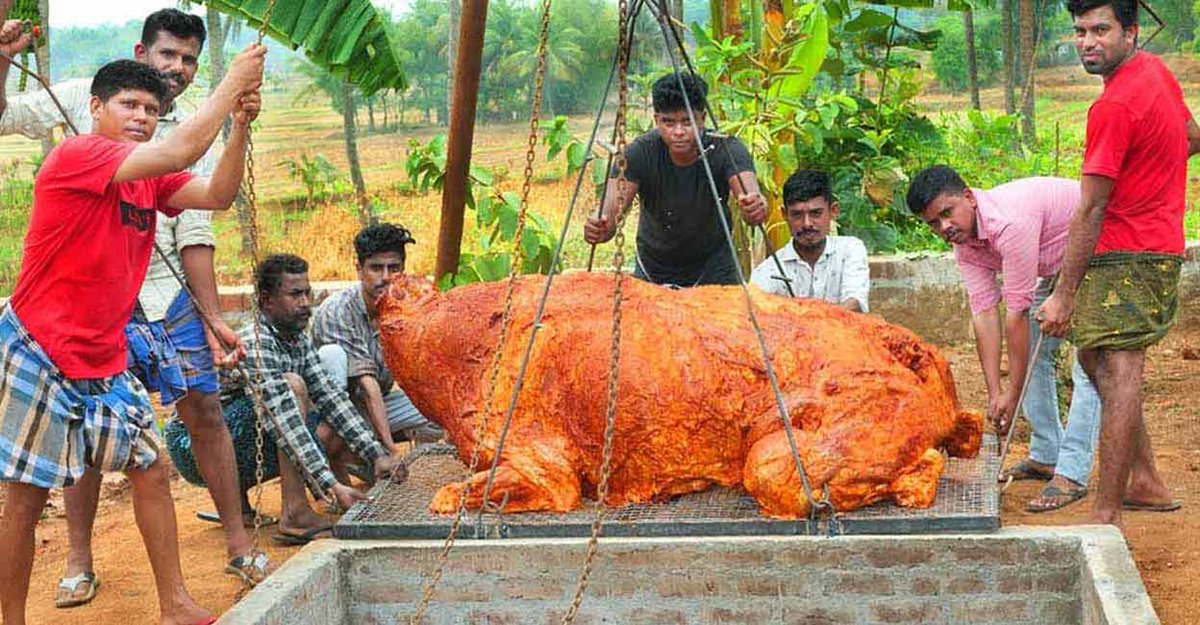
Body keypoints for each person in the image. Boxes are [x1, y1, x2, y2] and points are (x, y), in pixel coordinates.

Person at [0, 8, 266, 603]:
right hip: (42, 347)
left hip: (102, 351)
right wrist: (232, 83)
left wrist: (241, 125)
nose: (142, 118)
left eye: (150, 110)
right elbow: (178, 153)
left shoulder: (147, 174)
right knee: (25, 492)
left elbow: (217, 195)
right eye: (129, 106)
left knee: (148, 467)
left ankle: (175, 603)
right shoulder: (78, 157)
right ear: (95, 109)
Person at [1039, 0, 1196, 526]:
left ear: (1131, 31)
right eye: (1080, 30)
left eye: (1101, 29)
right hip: (1148, 242)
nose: (1088, 42)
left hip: (1133, 249)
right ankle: (1145, 479)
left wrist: (1061, 293)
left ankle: (1106, 512)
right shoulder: (1155, 72)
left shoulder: (1112, 108)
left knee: (1120, 367)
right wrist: (1154, 172)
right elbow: (1192, 138)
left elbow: (1091, 205)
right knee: (1092, 359)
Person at [170, 254, 406, 546]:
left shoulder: (295, 337)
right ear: (267, 300)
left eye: (306, 293)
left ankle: (245, 505)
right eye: (295, 294)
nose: (306, 302)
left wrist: (376, 454)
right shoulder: (256, 340)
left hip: (237, 433)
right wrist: (329, 484)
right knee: (291, 388)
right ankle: (294, 514)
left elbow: (332, 398)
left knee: (317, 408)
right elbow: (283, 418)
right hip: (192, 449)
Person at [906, 166, 1102, 513]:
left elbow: (1016, 314)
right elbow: (984, 315)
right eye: (933, 224)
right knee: (1035, 352)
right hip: (1057, 262)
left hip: (1101, 249)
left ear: (969, 197)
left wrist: (1013, 395)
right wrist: (996, 393)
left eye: (947, 214)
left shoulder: (1009, 223)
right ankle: (1046, 454)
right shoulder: (965, 243)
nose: (944, 228)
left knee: (1093, 361)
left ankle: (1071, 472)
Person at [583, 71, 768, 286]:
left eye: (687, 122)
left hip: (714, 271)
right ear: (656, 120)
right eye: (668, 123)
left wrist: (754, 206)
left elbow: (751, 196)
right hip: (653, 271)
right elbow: (611, 212)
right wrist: (599, 225)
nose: (678, 132)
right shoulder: (640, 152)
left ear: (702, 119)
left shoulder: (726, 148)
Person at [312, 223, 444, 455]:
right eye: (375, 268)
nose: (385, 277)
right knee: (332, 355)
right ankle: (353, 460)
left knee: (441, 409)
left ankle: (422, 464)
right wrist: (390, 450)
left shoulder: (406, 306)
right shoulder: (337, 311)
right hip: (335, 415)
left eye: (393, 268)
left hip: (378, 406)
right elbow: (367, 385)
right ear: (359, 269)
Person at [749, 169, 870, 311]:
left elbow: (854, 303)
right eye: (797, 214)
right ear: (784, 214)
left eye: (816, 213)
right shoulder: (766, 272)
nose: (807, 223)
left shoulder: (850, 250)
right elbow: (757, 316)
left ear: (833, 211)